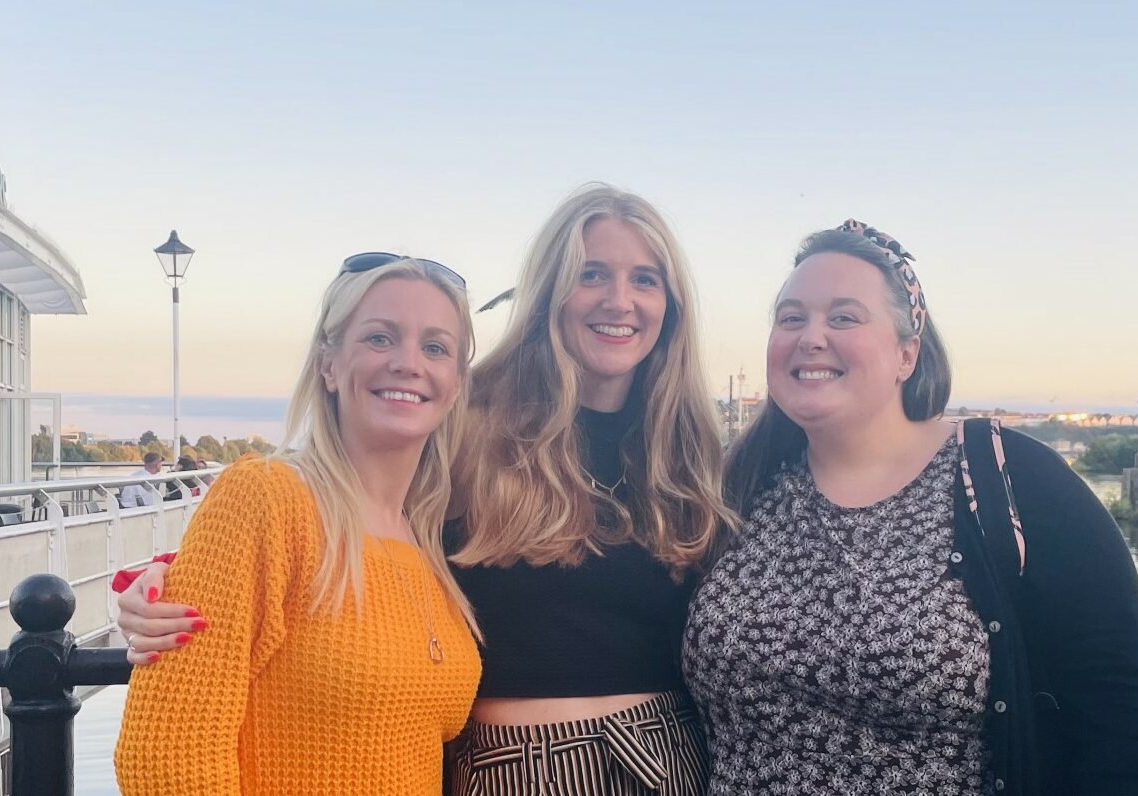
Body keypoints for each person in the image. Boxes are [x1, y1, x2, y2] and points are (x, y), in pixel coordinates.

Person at [114, 185, 734, 794]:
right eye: (591, 274)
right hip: (509, 764)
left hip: (664, 759)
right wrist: (177, 579)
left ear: (671, 304)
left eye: (645, 279)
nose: (618, 300)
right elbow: (331, 509)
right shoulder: (470, 423)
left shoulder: (690, 452)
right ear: (550, 291)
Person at [683, 221, 1138, 795]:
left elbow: (1131, 732)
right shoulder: (736, 491)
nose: (810, 336)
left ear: (907, 353)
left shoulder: (1010, 478)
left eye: (843, 317)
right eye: (791, 317)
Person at [111, 255, 482, 794]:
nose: (408, 363)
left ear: (455, 384)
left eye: (435, 347)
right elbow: (167, 757)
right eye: (379, 338)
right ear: (328, 365)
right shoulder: (266, 498)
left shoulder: (430, 539)